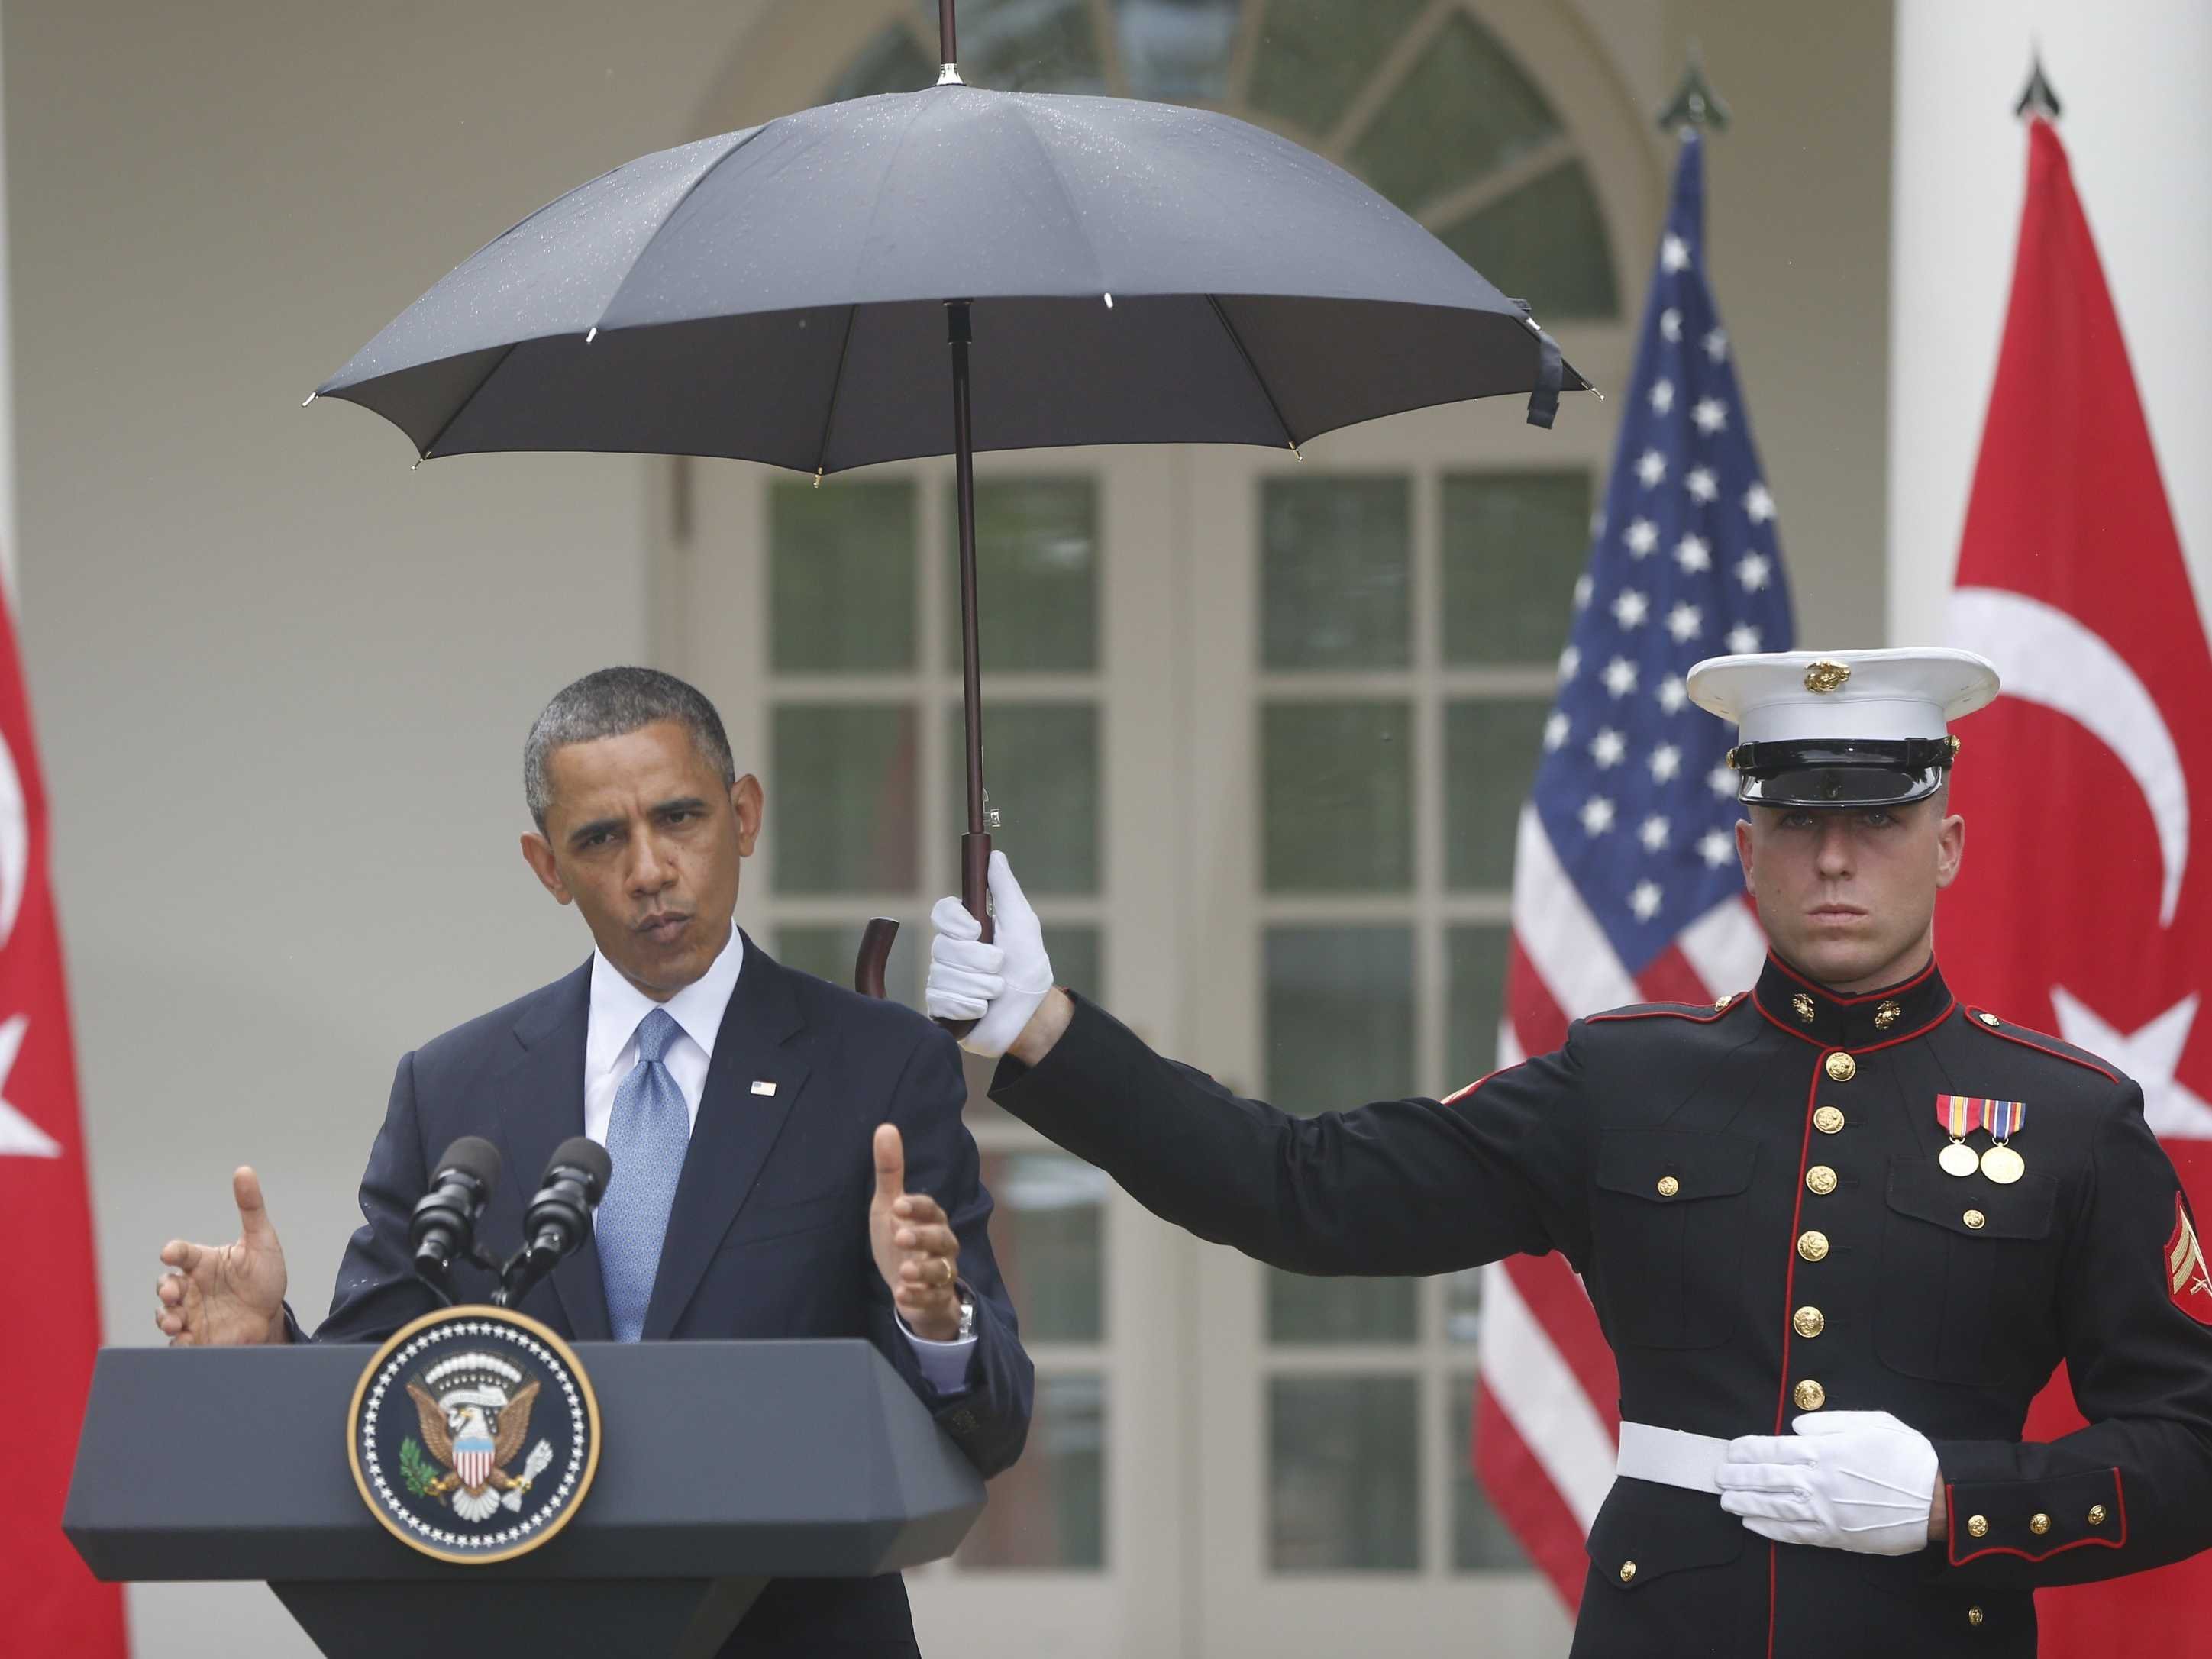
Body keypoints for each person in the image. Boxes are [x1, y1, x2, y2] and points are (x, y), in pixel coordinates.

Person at [925, 647, 2212, 1659]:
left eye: (1876, 818)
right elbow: (1304, 1190)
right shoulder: (1627, 1080)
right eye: (1795, 818)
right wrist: (1041, 1031)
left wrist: (1954, 1501)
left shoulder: (2064, 1116)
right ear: (1743, 844)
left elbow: (2191, 1441)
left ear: (1946, 845)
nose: (1833, 857)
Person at [157, 667, 1032, 1658]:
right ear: (546, 865)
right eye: (601, 838)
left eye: (680, 817)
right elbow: (379, 1399)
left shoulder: (874, 1066)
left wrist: (934, 1321)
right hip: (524, 1626)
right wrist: (267, 1347)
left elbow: (993, 1423)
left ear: (743, 815)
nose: (650, 868)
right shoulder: (456, 1086)